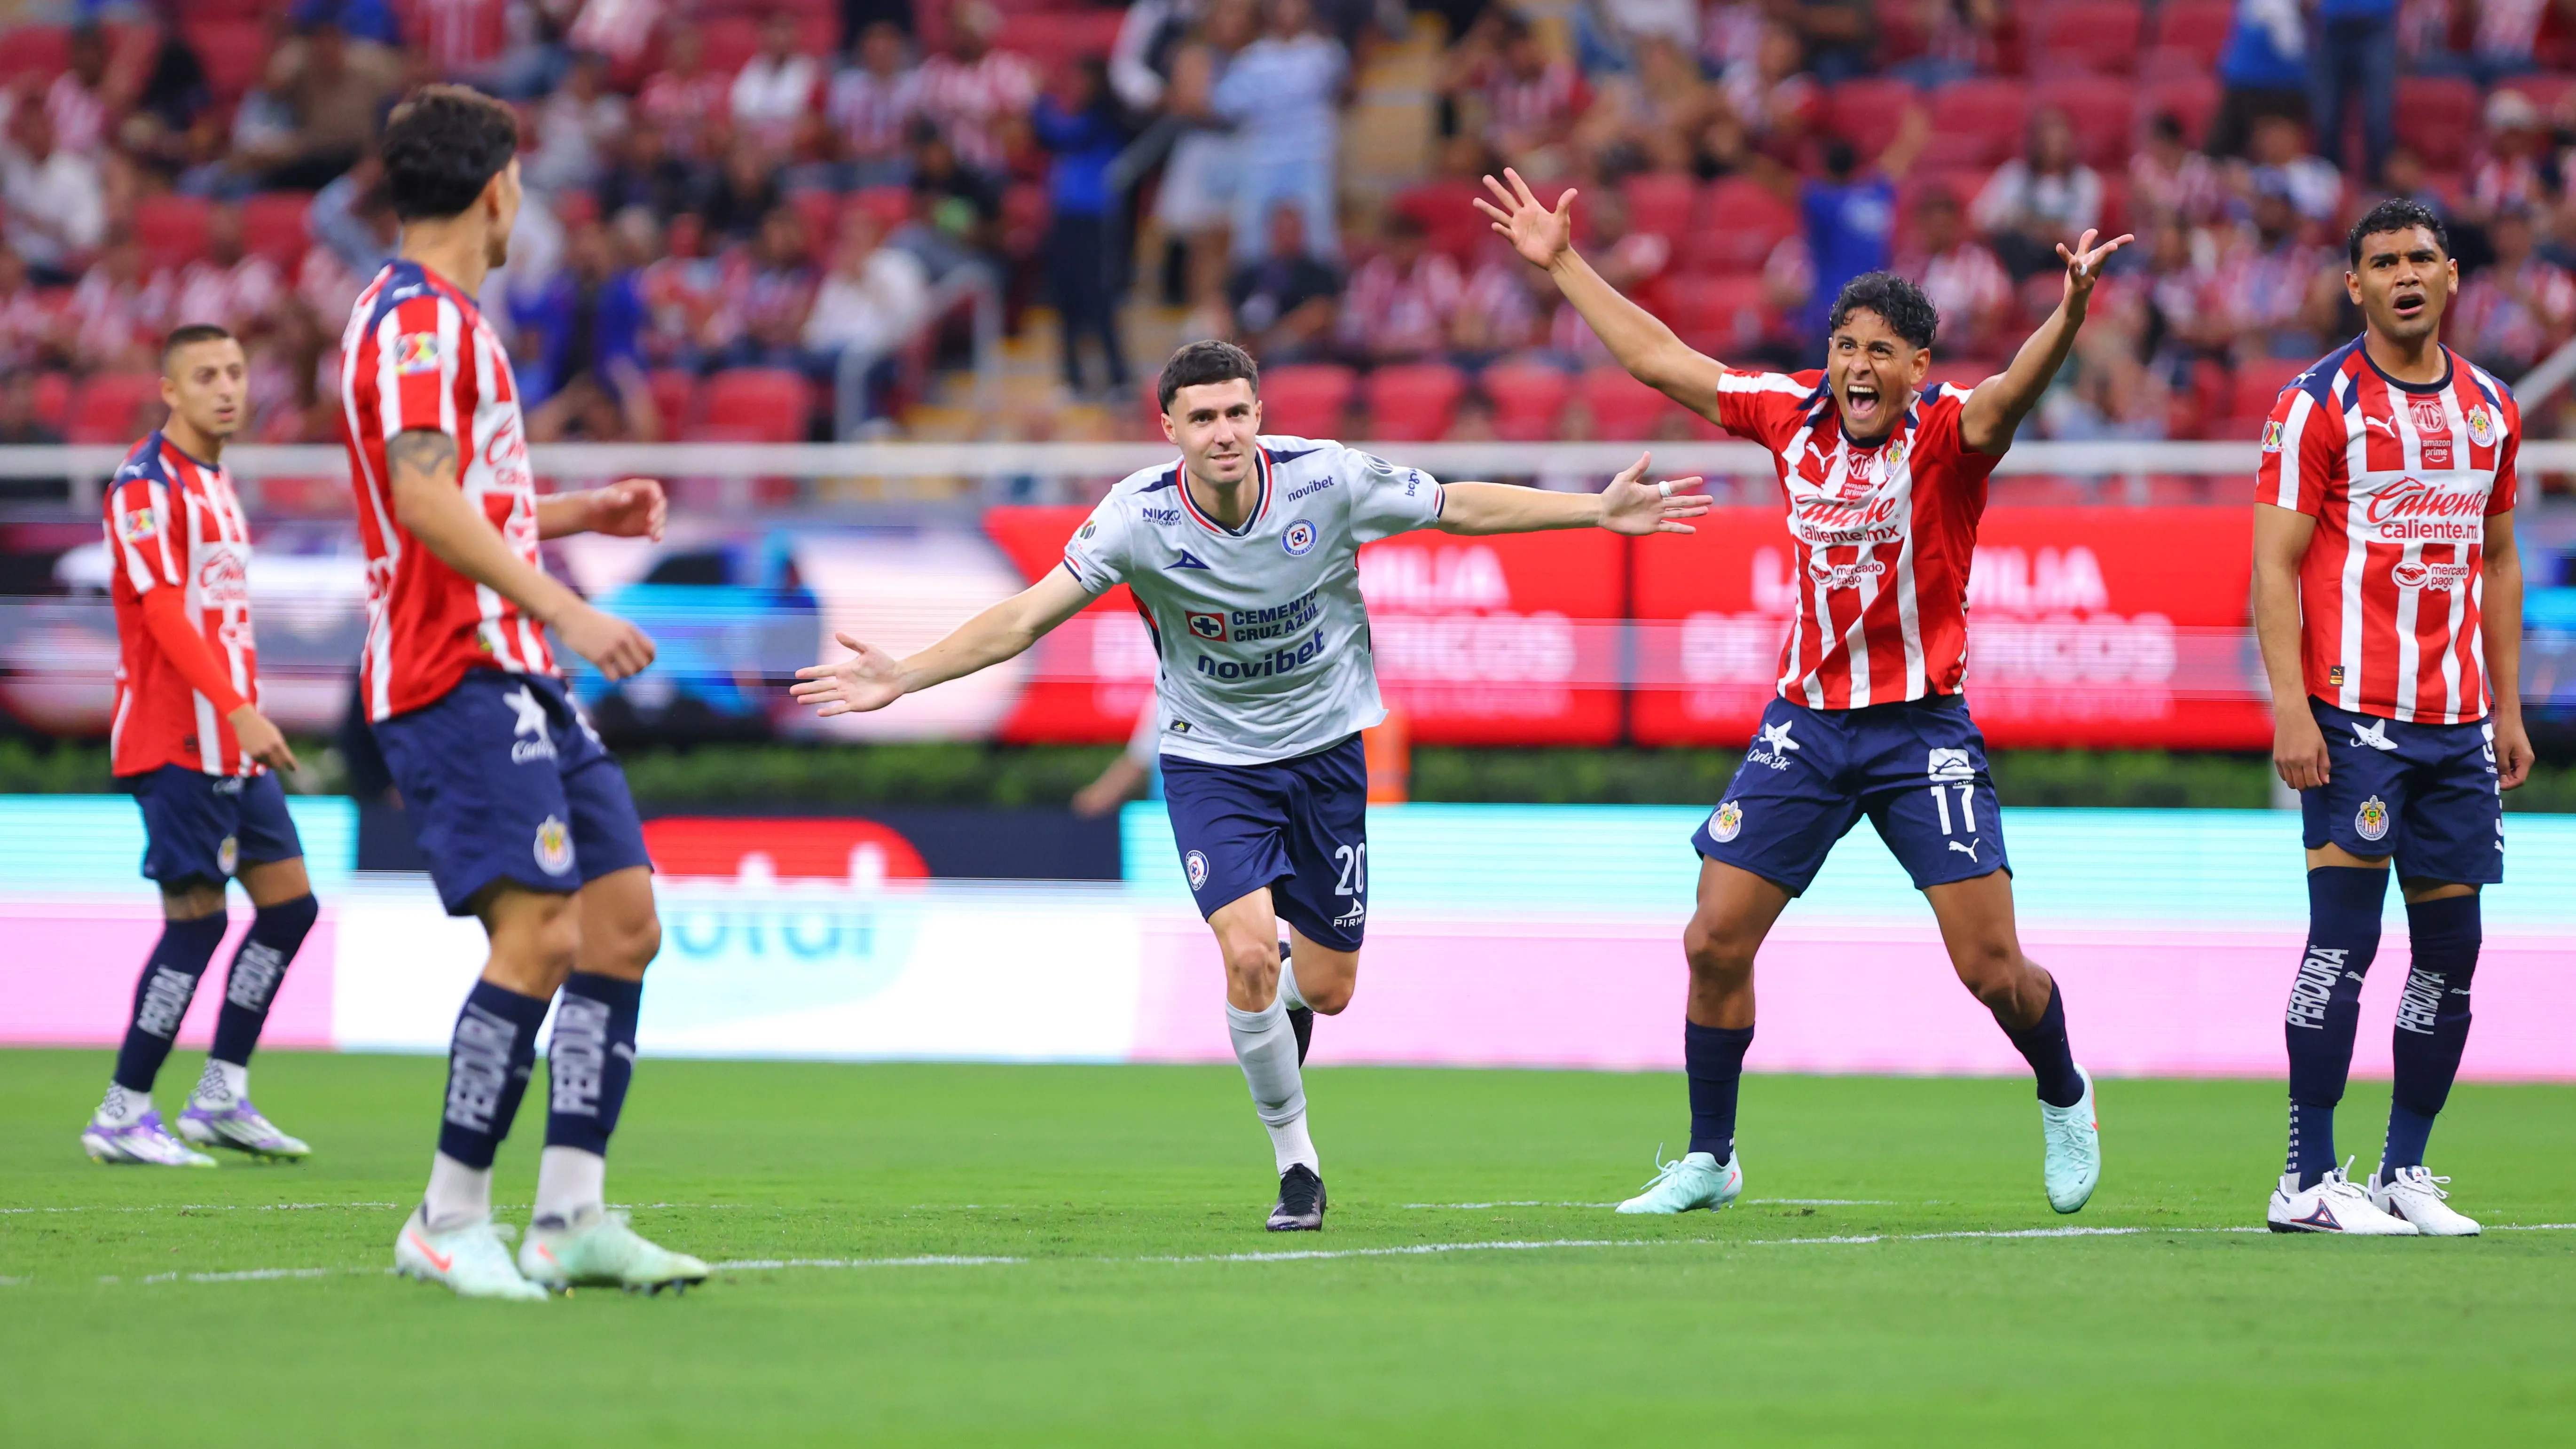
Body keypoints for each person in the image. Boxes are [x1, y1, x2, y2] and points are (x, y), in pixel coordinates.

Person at [792, 338, 1710, 1231]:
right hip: (1210, 762)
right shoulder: (1135, 516)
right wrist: (906, 674)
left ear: (1260, 415)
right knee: (1247, 958)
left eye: (1236, 413)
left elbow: (1456, 505)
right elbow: (1027, 615)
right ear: (1169, 429)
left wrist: (1594, 511)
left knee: (1330, 986)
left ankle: (1273, 998)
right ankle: (1297, 1164)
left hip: (1325, 756)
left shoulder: (1326, 478)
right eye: (1202, 418)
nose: (1223, 432)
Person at [1476, 166, 2120, 1216]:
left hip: (1919, 731)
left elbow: (2014, 390)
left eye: (1882, 351)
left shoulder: (1950, 433)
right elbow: (1660, 359)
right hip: (1807, 726)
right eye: (1846, 346)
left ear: (1918, 366)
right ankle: (1711, 1158)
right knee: (1713, 938)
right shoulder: (1791, 414)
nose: (1859, 366)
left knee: (1991, 967)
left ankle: (2063, 1090)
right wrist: (1562, 263)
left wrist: (2072, 312)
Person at [338, 84, 701, 1299]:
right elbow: (422, 499)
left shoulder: (435, 319)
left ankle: (569, 1219)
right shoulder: (419, 324)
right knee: (539, 931)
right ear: (498, 189)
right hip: (454, 665)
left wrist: (578, 511)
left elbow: (462, 493)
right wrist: (571, 604)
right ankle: (447, 1218)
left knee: (622, 919)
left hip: (514, 664)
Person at [2251, 198, 2529, 1237]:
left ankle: (2403, 1169)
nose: (2404, 274)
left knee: (2452, 950)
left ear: (2451, 275)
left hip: (2458, 726)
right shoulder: (2314, 404)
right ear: (2354, 285)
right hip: (2353, 718)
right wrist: (2292, 709)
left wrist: (2504, 707)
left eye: (2420, 258)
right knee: (2344, 943)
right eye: (2382, 262)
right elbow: (2272, 567)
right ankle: (2304, 1178)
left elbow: (2499, 559)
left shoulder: (2492, 408)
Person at [80, 325, 320, 1169]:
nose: (226, 388)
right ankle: (123, 1111)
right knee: (197, 922)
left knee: (290, 909)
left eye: (236, 372)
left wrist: (240, 718)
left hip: (232, 744)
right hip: (178, 736)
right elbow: (161, 613)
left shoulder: (215, 481)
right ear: (169, 391)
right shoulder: (144, 486)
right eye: (206, 375)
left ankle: (219, 1094)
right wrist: (237, 708)